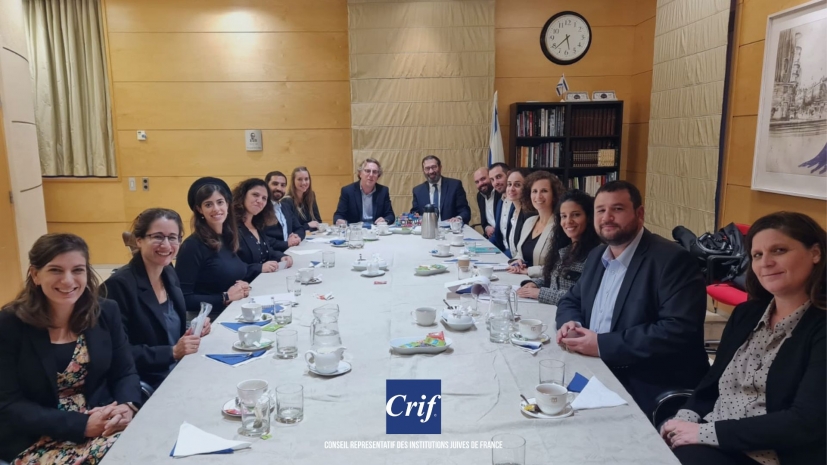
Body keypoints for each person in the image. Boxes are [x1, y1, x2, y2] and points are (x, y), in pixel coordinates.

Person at [662, 212, 825, 465]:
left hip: (769, 454)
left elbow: (805, 422)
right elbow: (712, 382)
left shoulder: (820, 328)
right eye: (757, 255)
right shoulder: (747, 314)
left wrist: (704, 433)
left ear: (815, 253)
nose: (765, 262)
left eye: (779, 250)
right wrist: (686, 417)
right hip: (712, 436)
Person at [555, 180, 709, 417]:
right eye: (600, 210)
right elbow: (571, 300)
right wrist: (571, 323)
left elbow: (678, 330)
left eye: (617, 209)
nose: (607, 217)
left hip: (644, 380)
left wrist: (602, 345)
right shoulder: (597, 255)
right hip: (594, 369)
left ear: (639, 214)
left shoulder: (672, 260)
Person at [0, 234, 141, 464]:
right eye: (55, 270)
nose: (68, 280)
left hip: (102, 423)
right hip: (37, 436)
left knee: (149, 447)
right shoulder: (10, 324)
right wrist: (82, 425)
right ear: (35, 275)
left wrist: (127, 406)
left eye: (77, 270)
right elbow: (8, 404)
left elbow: (125, 372)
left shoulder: (106, 312)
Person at [104, 209, 212, 390]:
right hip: (148, 380)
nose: (166, 245)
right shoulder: (118, 286)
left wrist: (194, 328)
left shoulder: (168, 272)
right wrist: (172, 352)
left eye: (173, 237)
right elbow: (116, 352)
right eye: (158, 237)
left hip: (179, 369)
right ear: (139, 240)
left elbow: (165, 325)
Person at [175, 177, 250, 320]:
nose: (216, 209)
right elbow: (183, 299)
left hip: (231, 312)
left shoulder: (228, 238)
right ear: (199, 210)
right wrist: (225, 297)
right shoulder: (192, 246)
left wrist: (241, 286)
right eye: (208, 204)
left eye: (220, 202)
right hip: (207, 320)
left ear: (227, 204)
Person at [517, 190, 601, 305]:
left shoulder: (596, 254)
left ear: (589, 217)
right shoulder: (564, 248)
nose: (568, 221)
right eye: (564, 216)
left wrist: (540, 293)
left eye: (576, 215)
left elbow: (582, 297)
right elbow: (554, 280)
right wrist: (535, 284)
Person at [232, 178, 293, 281]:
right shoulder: (231, 228)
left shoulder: (257, 225)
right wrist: (259, 268)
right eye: (255, 195)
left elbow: (266, 250)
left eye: (264, 198)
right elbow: (231, 267)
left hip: (263, 281)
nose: (260, 201)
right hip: (244, 286)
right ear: (243, 195)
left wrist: (281, 256)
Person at [508, 171, 565, 277]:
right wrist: (517, 261)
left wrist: (529, 271)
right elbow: (520, 253)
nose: (538, 196)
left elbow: (559, 267)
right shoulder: (529, 222)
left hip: (543, 283)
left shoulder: (560, 226)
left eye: (544, 191)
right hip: (522, 278)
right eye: (534, 191)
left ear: (554, 195)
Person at [333, 158, 395, 225]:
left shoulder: (383, 191)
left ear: (378, 176)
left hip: (376, 229)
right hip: (356, 230)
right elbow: (338, 215)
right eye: (367, 171)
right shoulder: (348, 191)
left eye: (374, 172)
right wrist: (339, 220)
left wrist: (385, 220)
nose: (371, 175)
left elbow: (390, 215)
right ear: (360, 174)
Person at [410, 155, 471, 223]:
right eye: (427, 168)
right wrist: (414, 216)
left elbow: (464, 211)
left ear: (440, 167)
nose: (431, 171)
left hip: (450, 228)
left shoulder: (455, 186)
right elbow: (415, 212)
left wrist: (458, 218)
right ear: (423, 171)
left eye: (434, 167)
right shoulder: (418, 191)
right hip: (427, 228)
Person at [494, 168, 535, 258]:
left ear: (527, 188)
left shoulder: (529, 215)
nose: (511, 189)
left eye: (517, 185)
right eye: (509, 184)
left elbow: (525, 252)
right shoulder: (514, 212)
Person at [263, 171, 305, 251]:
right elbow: (261, 238)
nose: (279, 188)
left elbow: (300, 228)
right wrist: (286, 244)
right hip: (271, 255)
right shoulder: (260, 208)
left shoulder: (285, 207)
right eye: (275, 184)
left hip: (290, 251)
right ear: (266, 186)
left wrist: (296, 236)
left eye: (283, 185)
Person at [287, 166, 323, 232]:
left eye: (306, 179)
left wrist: (308, 227)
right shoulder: (287, 201)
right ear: (293, 181)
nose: (304, 183)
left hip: (312, 236)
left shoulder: (311, 195)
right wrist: (308, 226)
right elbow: (291, 228)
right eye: (300, 179)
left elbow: (318, 221)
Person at [488, 162, 510, 251]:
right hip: (501, 250)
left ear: (509, 175)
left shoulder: (519, 203)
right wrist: (485, 246)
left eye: (498, 177)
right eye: (492, 180)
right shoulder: (500, 202)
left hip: (513, 254)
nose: (495, 183)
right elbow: (498, 234)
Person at [474, 167, 500, 238]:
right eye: (477, 182)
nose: (480, 183)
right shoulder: (480, 196)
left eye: (483, 179)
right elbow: (484, 222)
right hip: (490, 236)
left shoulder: (500, 193)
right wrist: (487, 228)